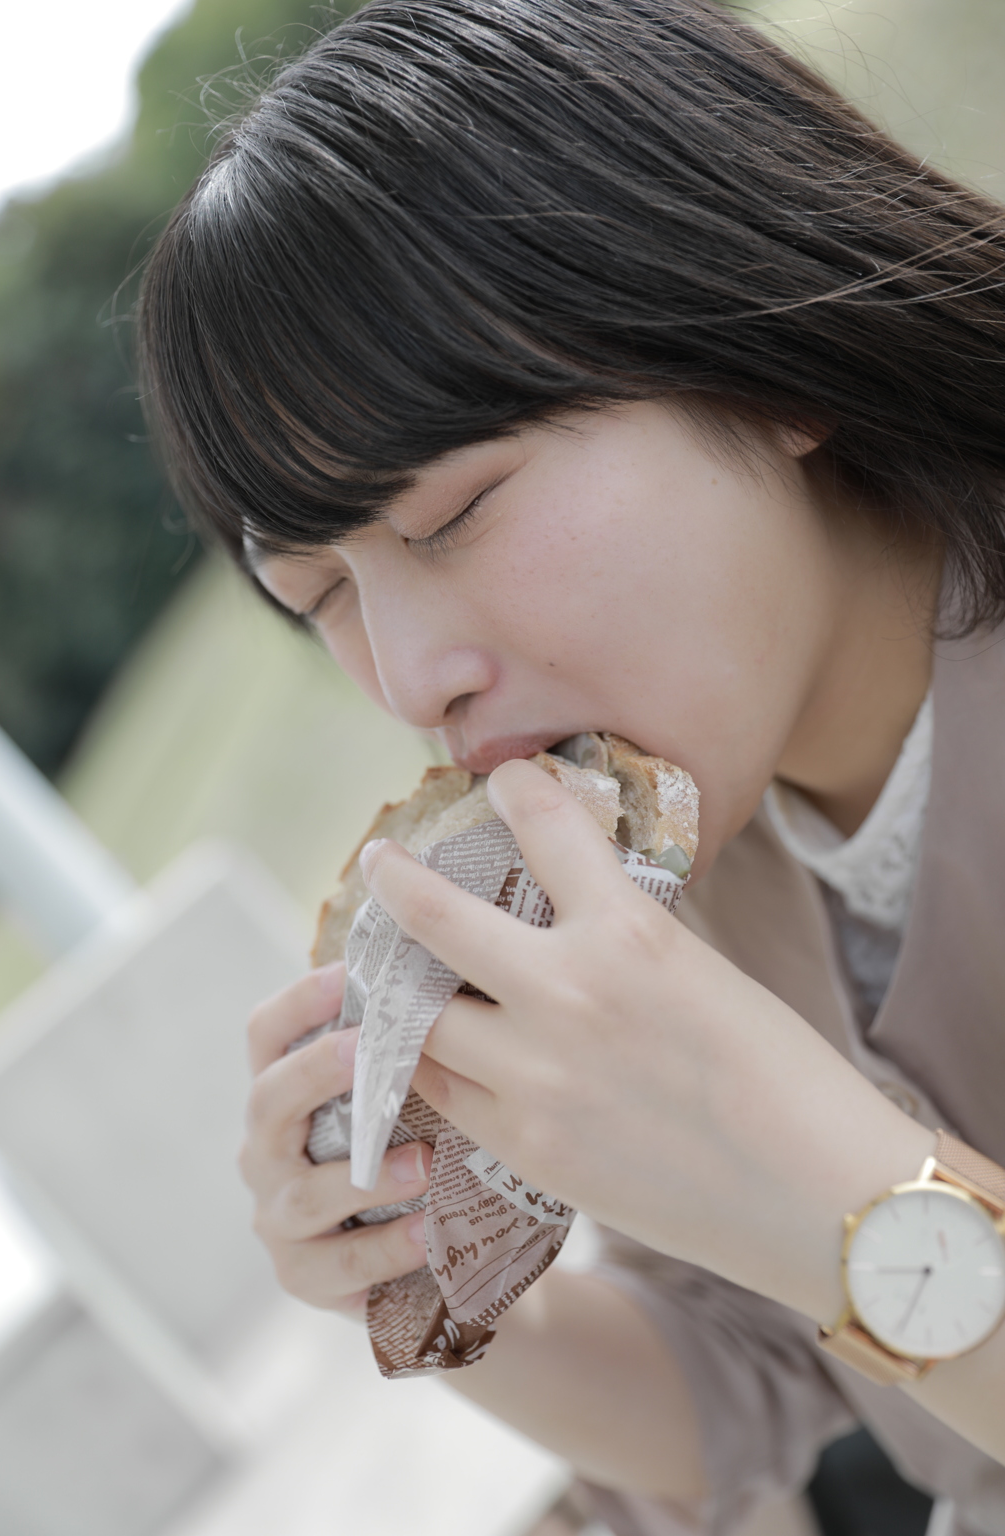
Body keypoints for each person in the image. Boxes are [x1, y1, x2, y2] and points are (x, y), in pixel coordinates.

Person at [137, 2, 1005, 1531]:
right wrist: (433, 1277)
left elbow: (834, 1267)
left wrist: (834, 1200)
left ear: (761, 347)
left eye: (454, 513)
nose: (409, 680)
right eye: (322, 597)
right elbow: (745, 1379)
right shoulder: (680, 867)